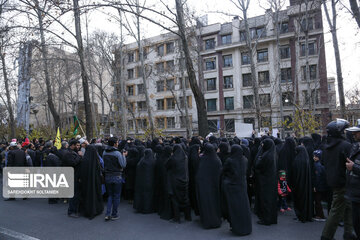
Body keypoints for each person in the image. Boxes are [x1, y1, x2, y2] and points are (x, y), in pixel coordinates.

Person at [321, 119, 355, 240]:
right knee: (336, 210)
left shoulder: (327, 145)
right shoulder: (345, 145)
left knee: (348, 207)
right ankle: (326, 235)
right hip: (343, 181)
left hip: (333, 180)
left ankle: (348, 232)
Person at [221, 145, 252, 236]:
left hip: (232, 187)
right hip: (242, 186)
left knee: (234, 209)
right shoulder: (245, 160)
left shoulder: (230, 161)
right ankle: (246, 227)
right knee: (244, 208)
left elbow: (223, 171)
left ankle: (236, 227)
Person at [196, 143, 222, 229]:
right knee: (215, 203)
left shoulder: (203, 159)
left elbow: (199, 173)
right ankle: (216, 220)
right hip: (215, 186)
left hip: (204, 186)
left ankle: (207, 221)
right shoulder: (217, 160)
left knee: (206, 204)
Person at [254, 138, 278, 225]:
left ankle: (266, 219)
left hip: (265, 181)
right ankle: (272, 218)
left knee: (265, 200)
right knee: (271, 200)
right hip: (271, 180)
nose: (262, 145)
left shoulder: (265, 155)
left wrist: (259, 159)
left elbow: (258, 166)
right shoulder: (273, 154)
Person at [165, 144, 191, 223]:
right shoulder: (185, 157)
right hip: (185, 180)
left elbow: (166, 165)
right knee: (185, 199)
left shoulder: (173, 158)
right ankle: (188, 216)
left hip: (176, 181)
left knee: (175, 199)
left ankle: (177, 218)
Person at [103, 137, 127, 221]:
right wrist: (124, 156)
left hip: (107, 176)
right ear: (114, 144)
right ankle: (114, 214)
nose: (118, 143)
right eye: (117, 142)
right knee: (116, 196)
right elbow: (123, 165)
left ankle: (107, 213)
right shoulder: (117, 153)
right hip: (117, 176)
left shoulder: (104, 152)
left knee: (110, 195)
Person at [80, 145, 104, 219]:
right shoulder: (96, 160)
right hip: (95, 181)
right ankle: (96, 209)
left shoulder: (84, 160)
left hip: (86, 182)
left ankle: (86, 210)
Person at [345, 122, 360, 239]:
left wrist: (353, 167)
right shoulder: (355, 146)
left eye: (357, 132)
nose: (354, 134)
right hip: (354, 193)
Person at [291, 145, 313, 222]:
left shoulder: (297, 160)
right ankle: (306, 215)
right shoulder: (306, 159)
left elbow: (294, 173)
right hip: (306, 184)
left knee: (299, 200)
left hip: (298, 184)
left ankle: (300, 215)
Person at [134, 148, 156, 214]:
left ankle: (140, 207)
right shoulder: (153, 161)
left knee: (142, 195)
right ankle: (148, 208)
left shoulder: (142, 161)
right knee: (149, 195)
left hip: (141, 181)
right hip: (150, 180)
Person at [64, 140, 82, 217]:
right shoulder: (68, 153)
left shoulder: (73, 152)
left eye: (79, 145)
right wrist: (79, 156)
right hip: (72, 176)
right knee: (74, 194)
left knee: (76, 194)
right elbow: (73, 163)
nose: (78, 147)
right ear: (73, 145)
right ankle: (71, 211)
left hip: (76, 175)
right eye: (77, 145)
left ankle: (75, 210)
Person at [313, 150, 330, 222]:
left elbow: (318, 177)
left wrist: (315, 186)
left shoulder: (317, 166)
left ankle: (320, 215)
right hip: (322, 186)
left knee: (317, 201)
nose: (314, 157)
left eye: (316, 156)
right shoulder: (321, 165)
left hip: (319, 187)